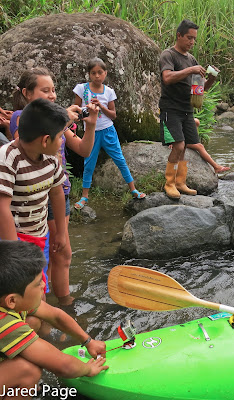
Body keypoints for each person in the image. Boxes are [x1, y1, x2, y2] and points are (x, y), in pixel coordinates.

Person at [10, 67, 98, 306]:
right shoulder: (21, 116)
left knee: (63, 252)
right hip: (35, 194)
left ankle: (63, 303)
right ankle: (41, 306)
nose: (52, 96)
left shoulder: (58, 123)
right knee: (43, 257)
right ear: (27, 93)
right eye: (45, 90)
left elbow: (83, 150)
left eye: (53, 90)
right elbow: (26, 141)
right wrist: (65, 118)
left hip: (60, 191)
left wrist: (90, 125)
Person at [0, 240, 108, 397]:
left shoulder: (10, 300)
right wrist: (88, 369)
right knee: (28, 370)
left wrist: (87, 341)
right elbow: (63, 366)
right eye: (38, 284)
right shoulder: (4, 322)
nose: (44, 285)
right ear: (11, 301)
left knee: (32, 321)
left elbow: (55, 316)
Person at [0, 99, 72, 299]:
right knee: (25, 294)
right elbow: (2, 208)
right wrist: (15, 255)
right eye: (60, 137)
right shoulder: (8, 158)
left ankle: (46, 326)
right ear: (45, 140)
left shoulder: (50, 159)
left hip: (41, 235)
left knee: (40, 289)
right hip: (14, 239)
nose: (61, 143)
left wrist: (61, 233)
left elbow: (57, 193)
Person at [73, 57, 146, 209]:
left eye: (100, 72)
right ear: (89, 74)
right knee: (89, 164)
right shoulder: (82, 89)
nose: (97, 76)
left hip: (108, 131)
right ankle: (84, 197)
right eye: (93, 73)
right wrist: (86, 111)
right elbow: (75, 110)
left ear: (105, 73)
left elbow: (113, 115)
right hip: (90, 132)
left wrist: (101, 106)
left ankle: (133, 189)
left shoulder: (109, 92)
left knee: (120, 159)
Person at [159, 19, 219, 199]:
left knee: (185, 147)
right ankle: (169, 183)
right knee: (178, 145)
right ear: (179, 35)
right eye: (189, 38)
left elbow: (198, 91)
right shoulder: (168, 55)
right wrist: (190, 70)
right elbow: (167, 78)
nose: (192, 42)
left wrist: (211, 79)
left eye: (194, 39)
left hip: (187, 109)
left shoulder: (191, 59)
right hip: (170, 108)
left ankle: (180, 182)